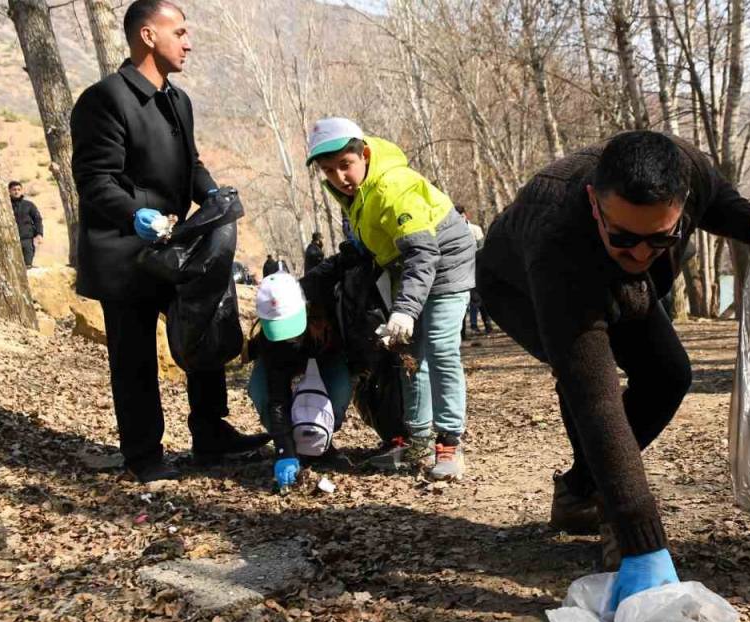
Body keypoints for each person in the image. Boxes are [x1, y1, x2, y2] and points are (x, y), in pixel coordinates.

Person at [477, 130, 750, 612]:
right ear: (594, 201)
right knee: (582, 380)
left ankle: (579, 490)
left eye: (660, 239)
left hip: (614, 281)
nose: (642, 254)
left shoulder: (687, 166)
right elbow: (597, 398)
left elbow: (717, 202)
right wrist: (642, 537)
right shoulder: (556, 239)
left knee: (669, 374)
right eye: (624, 237)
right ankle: (610, 512)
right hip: (517, 285)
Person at [69, 0, 267, 483]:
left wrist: (213, 194)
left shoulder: (178, 101)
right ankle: (143, 454)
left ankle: (210, 433)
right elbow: (95, 180)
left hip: (176, 244)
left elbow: (191, 164)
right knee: (133, 355)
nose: (189, 41)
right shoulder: (105, 99)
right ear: (147, 36)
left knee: (203, 327)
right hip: (124, 251)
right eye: (178, 31)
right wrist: (135, 214)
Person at [306, 117, 476, 481]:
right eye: (328, 170)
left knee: (441, 348)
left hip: (444, 262)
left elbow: (423, 253)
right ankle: (417, 442)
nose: (339, 177)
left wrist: (406, 310)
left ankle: (449, 443)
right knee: (411, 356)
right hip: (407, 267)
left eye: (345, 165)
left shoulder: (391, 187)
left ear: (363, 154)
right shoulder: (354, 196)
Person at [247, 272, 353, 490]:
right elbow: (277, 398)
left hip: (327, 357)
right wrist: (284, 450)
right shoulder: (270, 342)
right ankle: (295, 445)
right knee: (260, 391)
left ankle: (321, 443)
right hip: (282, 362)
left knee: (338, 389)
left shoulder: (327, 300)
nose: (287, 336)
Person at [460, 207, 492, 338]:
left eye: (461, 216)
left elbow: (482, 248)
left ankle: (487, 325)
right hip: (460, 271)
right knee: (463, 302)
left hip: (475, 268)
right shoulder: (451, 231)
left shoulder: (475, 229)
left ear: (465, 216)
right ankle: (463, 332)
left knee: (479, 299)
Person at [9, 180, 43, 268]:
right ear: (9, 191)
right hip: (11, 241)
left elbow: (37, 219)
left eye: (18, 189)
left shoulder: (29, 205)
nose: (16, 191)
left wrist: (39, 234)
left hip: (27, 240)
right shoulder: (6, 206)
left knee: (28, 265)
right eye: (14, 189)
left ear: (21, 191)